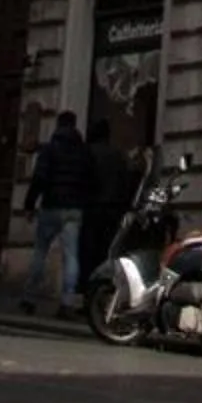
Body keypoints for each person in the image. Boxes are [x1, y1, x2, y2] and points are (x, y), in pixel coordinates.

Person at [19, 108, 95, 315]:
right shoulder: (83, 152)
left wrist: (29, 205)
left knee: (40, 252)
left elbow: (39, 179)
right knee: (71, 256)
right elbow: (90, 180)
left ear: (58, 125)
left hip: (51, 206)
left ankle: (29, 297)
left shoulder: (49, 150)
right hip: (74, 209)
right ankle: (67, 301)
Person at [79, 118, 134, 283]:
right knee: (107, 248)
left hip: (91, 208)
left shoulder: (87, 153)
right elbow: (125, 183)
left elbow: (83, 180)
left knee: (88, 249)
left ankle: (87, 282)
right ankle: (103, 282)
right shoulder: (117, 155)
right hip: (113, 209)